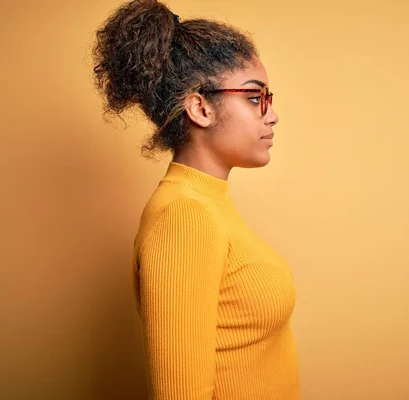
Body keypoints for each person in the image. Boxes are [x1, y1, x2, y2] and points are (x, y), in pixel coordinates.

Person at [92, 1, 299, 398]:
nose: (271, 116)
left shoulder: (207, 203)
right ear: (200, 107)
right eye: (255, 98)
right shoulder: (184, 216)